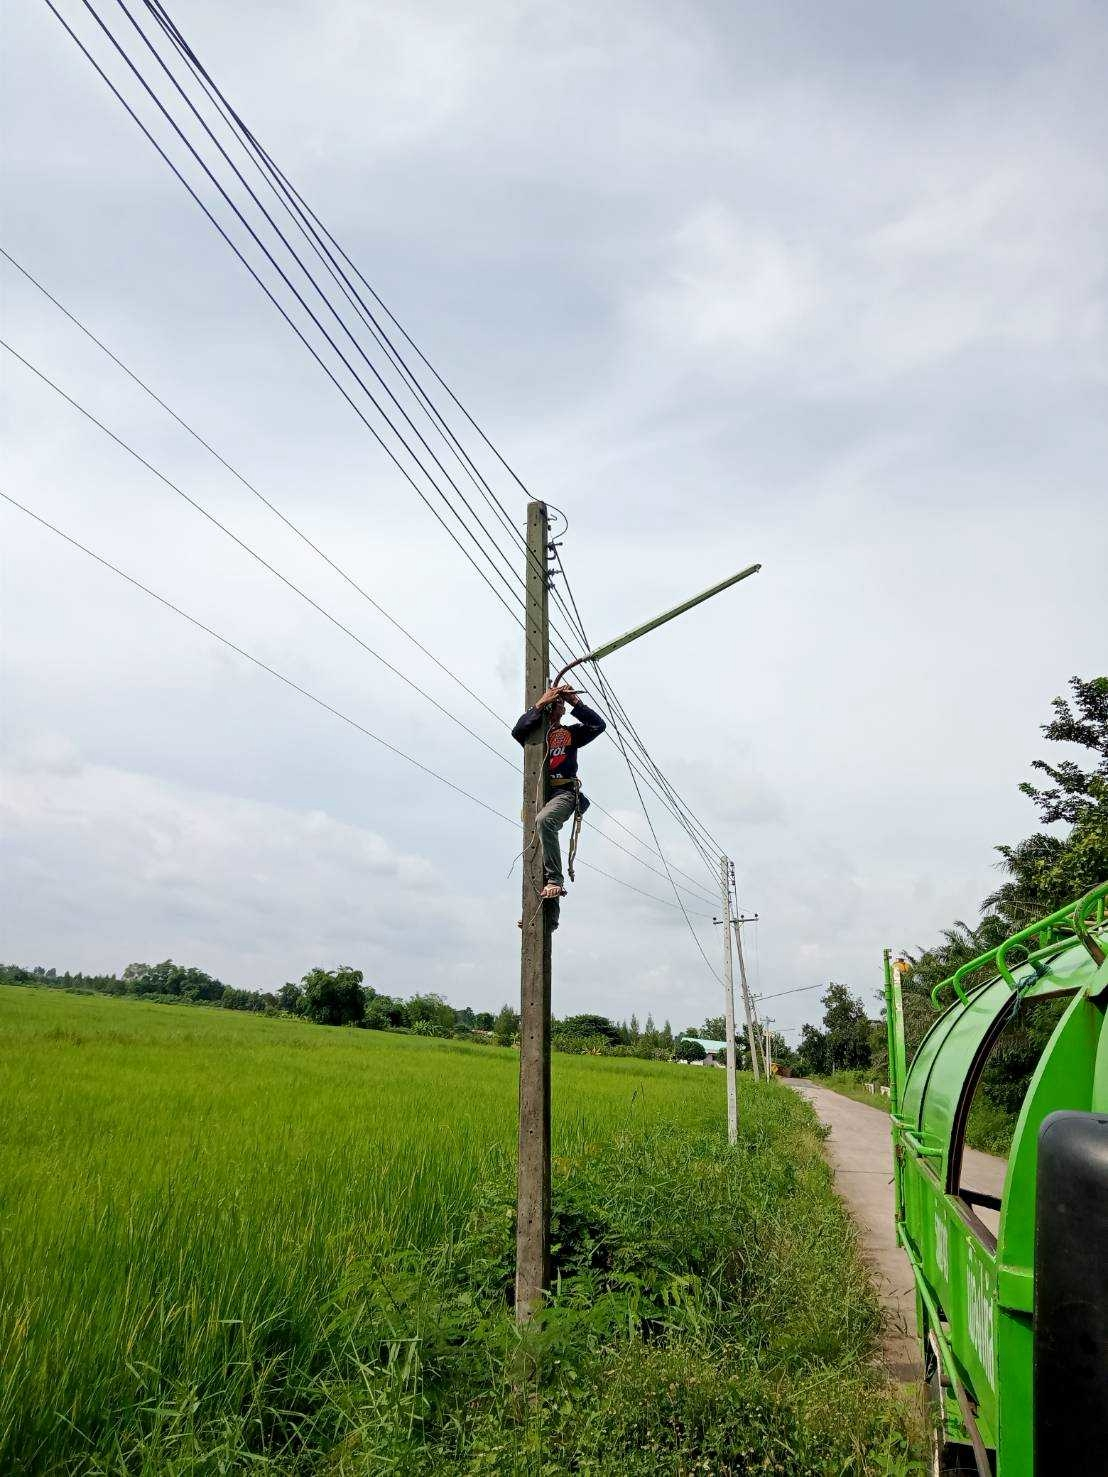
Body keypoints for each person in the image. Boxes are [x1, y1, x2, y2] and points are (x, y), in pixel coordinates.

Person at [511, 683, 606, 926]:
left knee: (546, 821)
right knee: (534, 849)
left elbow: (598, 726)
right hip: (539, 796)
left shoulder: (569, 734)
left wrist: (576, 703)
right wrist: (540, 702)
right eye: (556, 704)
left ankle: (555, 879)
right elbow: (517, 730)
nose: (558, 708)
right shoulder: (534, 735)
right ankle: (542, 914)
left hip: (564, 792)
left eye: (560, 705)